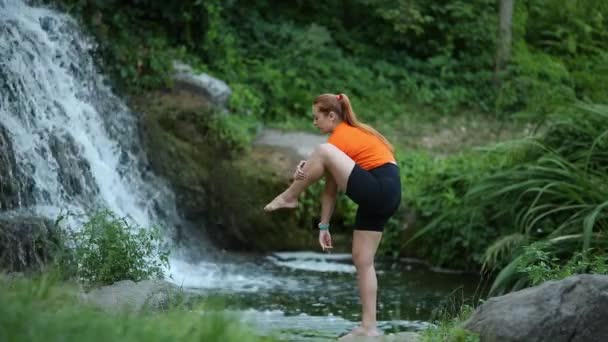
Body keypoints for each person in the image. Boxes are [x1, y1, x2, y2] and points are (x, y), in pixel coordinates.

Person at [264, 93, 401, 338]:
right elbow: (330, 191)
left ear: (331, 115)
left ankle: (289, 196)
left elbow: (324, 156)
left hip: (380, 187)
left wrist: (304, 171)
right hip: (386, 196)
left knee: (322, 150)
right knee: (362, 260)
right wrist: (323, 227)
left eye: (316, 118)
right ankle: (369, 328)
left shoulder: (340, 137)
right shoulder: (338, 145)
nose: (314, 123)